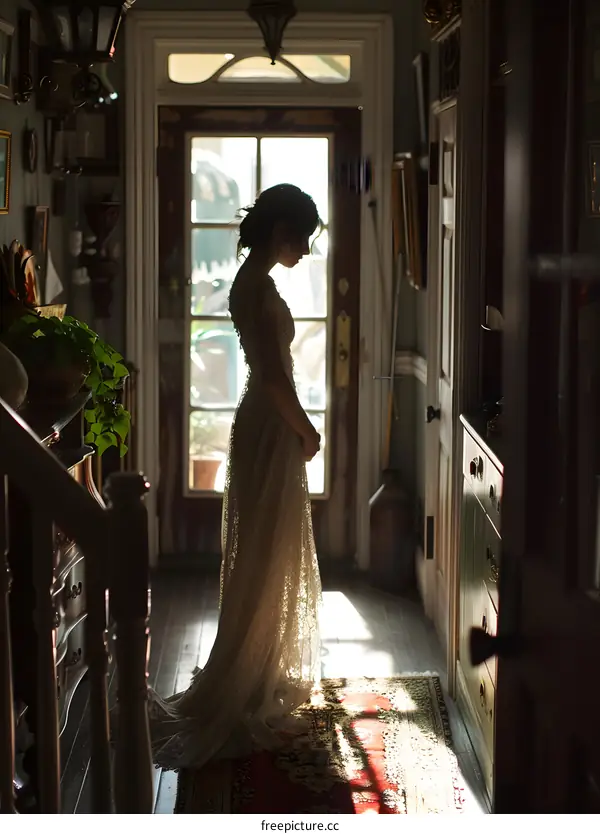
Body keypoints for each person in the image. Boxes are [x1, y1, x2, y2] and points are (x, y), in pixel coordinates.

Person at [147, 184, 324, 770]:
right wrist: (307, 431)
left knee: (267, 549)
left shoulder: (257, 283)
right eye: (303, 236)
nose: (306, 248)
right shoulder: (254, 287)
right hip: (270, 423)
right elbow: (273, 377)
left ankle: (258, 663)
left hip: (265, 423)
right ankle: (248, 674)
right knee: (264, 550)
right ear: (281, 232)